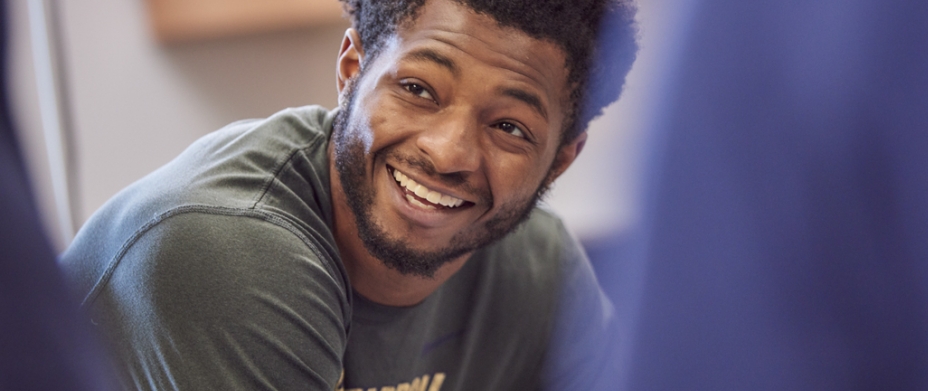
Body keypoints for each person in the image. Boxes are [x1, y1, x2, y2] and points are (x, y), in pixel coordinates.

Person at [60, 0, 637, 390]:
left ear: (560, 157)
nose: (448, 153)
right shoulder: (227, 248)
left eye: (509, 127)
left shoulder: (539, 270)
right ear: (351, 70)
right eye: (416, 89)